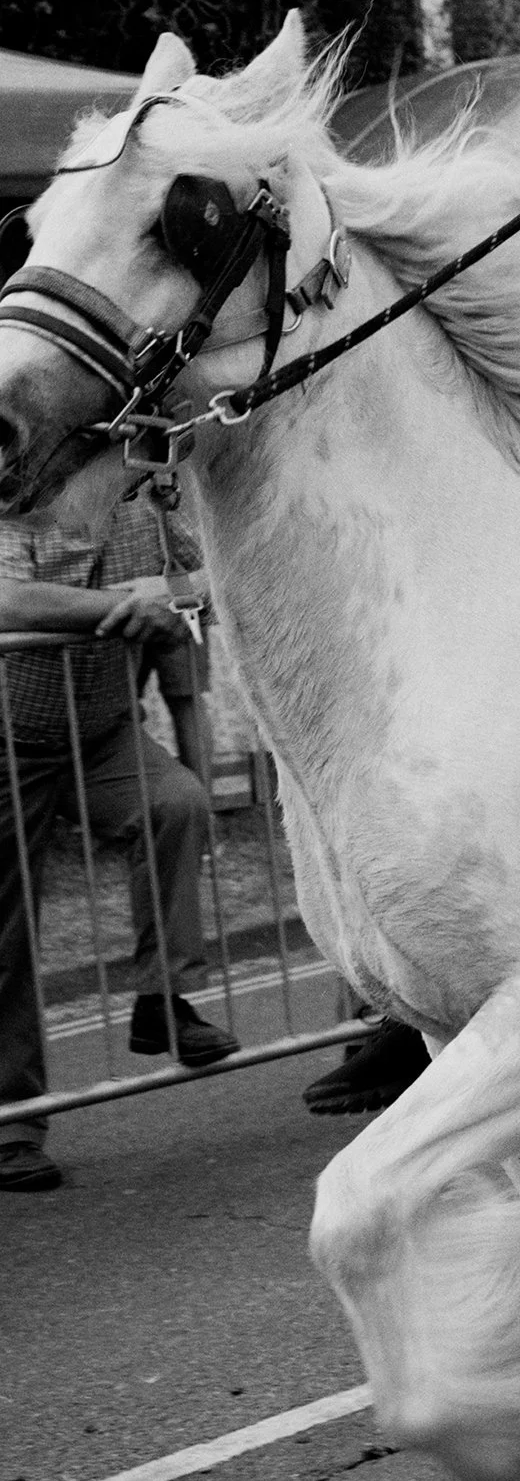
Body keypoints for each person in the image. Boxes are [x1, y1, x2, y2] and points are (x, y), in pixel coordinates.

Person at [0, 496, 238, 1193]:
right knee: (5, 936)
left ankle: (165, 999)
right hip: (6, 742)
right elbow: (8, 601)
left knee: (177, 803)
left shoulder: (146, 503)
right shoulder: (15, 502)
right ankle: (13, 1122)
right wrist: (119, 605)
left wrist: (166, 593)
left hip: (103, 733)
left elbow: (207, 579)